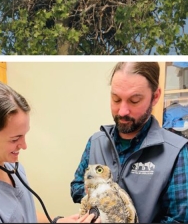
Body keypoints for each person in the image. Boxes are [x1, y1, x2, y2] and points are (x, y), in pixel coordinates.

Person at [0, 78, 98, 223]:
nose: (24, 145)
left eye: (24, 134)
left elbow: (22, 214)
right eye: (15, 139)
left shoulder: (10, 165)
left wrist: (57, 222)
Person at [70, 62, 188, 223]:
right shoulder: (95, 142)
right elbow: (76, 186)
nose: (122, 111)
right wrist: (103, 202)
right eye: (116, 99)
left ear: (155, 96)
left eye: (134, 100)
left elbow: (179, 219)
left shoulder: (176, 152)